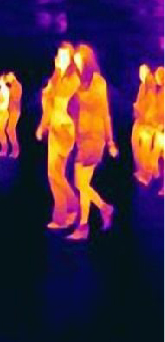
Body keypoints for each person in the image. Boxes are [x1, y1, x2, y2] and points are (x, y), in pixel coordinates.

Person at [67, 44, 118, 240]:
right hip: (81, 138)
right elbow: (72, 110)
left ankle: (86, 224)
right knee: (82, 184)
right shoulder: (76, 83)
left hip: (95, 137)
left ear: (87, 61)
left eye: (80, 60)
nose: (77, 64)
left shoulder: (98, 82)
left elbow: (105, 113)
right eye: (76, 61)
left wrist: (110, 141)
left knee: (81, 184)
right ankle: (101, 211)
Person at [36, 42, 80, 229]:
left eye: (64, 56)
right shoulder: (58, 77)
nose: (60, 59)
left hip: (64, 129)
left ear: (70, 59)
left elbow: (60, 98)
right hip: (54, 128)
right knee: (54, 174)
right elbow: (48, 105)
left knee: (54, 174)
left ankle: (64, 214)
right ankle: (71, 209)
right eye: (59, 55)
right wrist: (42, 126)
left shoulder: (72, 79)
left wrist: (56, 75)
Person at [132, 64, 156, 185]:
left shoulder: (149, 84)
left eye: (142, 71)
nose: (140, 74)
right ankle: (144, 172)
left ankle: (146, 175)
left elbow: (151, 103)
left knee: (144, 148)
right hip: (141, 120)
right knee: (139, 146)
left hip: (145, 123)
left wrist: (145, 116)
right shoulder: (144, 85)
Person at [150, 66, 164, 195]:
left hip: (162, 129)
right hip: (159, 129)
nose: (157, 79)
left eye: (159, 76)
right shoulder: (159, 92)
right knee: (156, 155)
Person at [5, 72, 22, 158]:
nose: (7, 78)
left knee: (10, 129)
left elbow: (16, 98)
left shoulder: (16, 85)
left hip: (15, 110)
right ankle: (14, 150)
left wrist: (9, 91)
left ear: (12, 75)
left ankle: (16, 150)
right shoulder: (13, 85)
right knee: (10, 130)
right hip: (12, 110)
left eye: (8, 76)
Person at [0, 74, 10, 156]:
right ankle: (4, 148)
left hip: (2, 111)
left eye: (0, 79)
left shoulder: (5, 89)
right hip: (0, 111)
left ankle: (4, 148)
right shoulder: (2, 89)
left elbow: (2, 100)